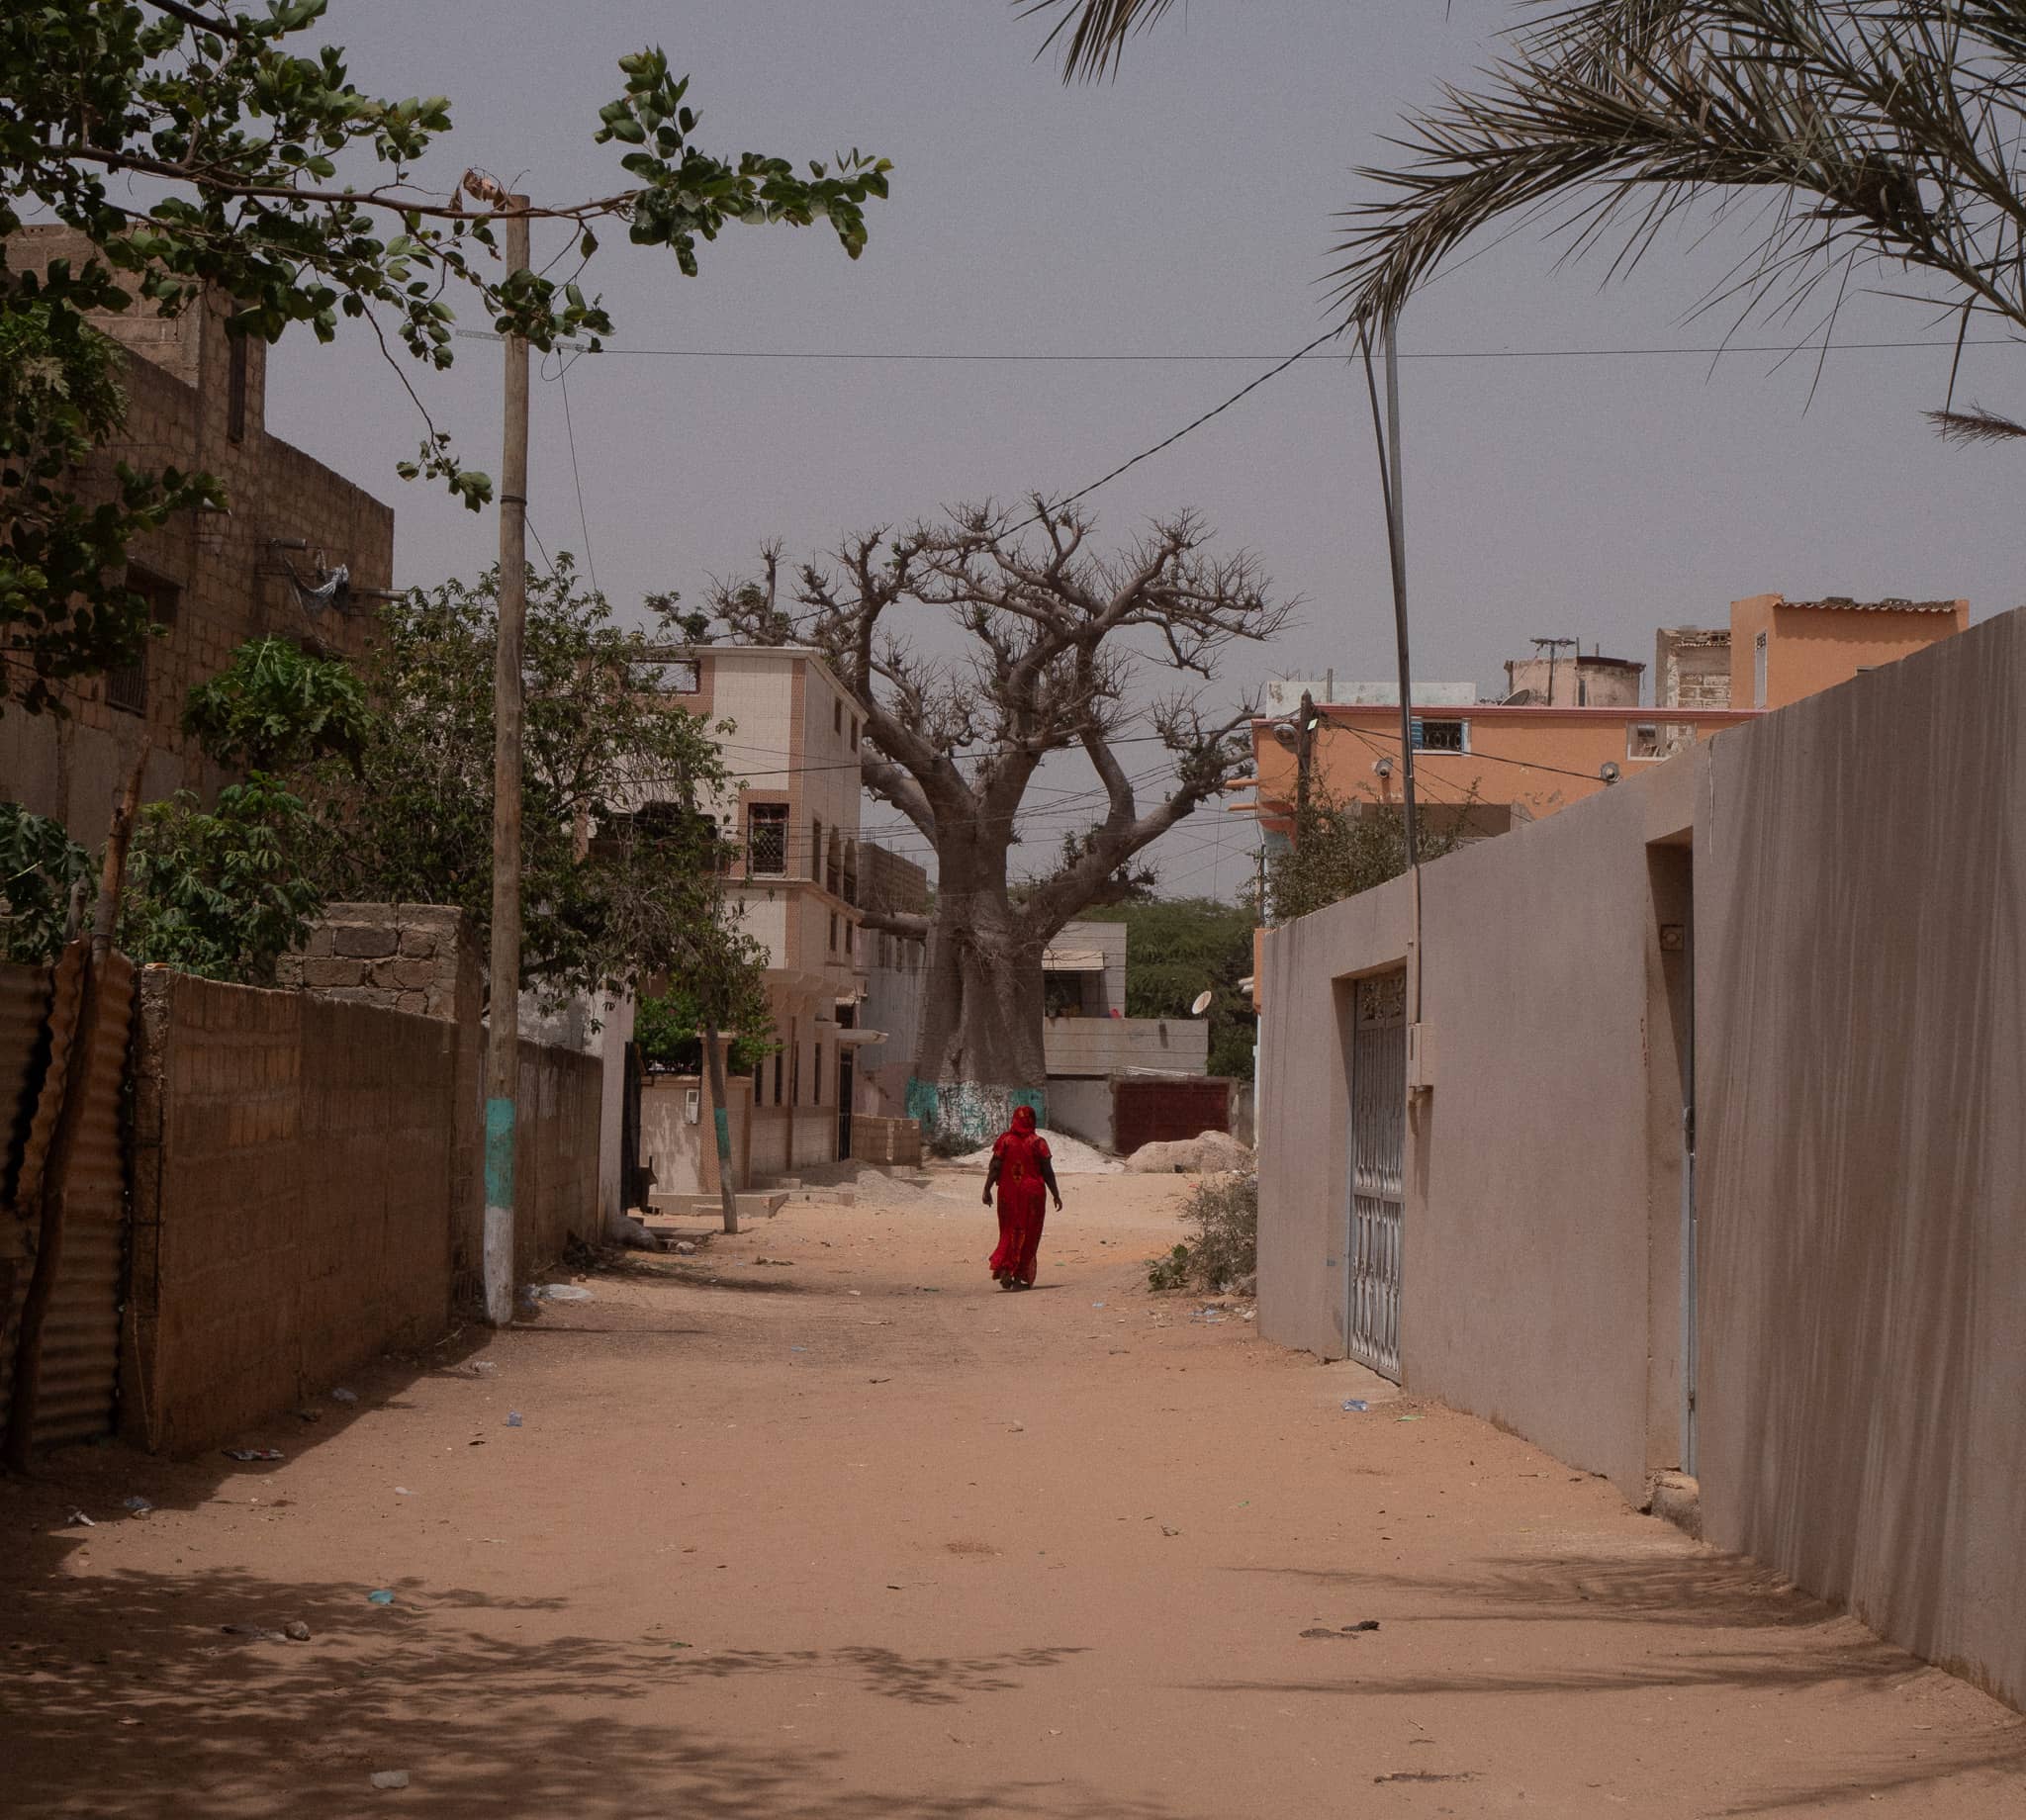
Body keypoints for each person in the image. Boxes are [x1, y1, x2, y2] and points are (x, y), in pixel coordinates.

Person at [982, 1104, 1062, 1290]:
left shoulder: (1005, 1141)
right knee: (1029, 1233)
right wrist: (1056, 1194)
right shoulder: (1038, 1143)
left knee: (1008, 1231)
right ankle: (1018, 1277)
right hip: (1032, 1195)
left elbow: (995, 1166)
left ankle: (1006, 1267)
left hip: (1008, 1193)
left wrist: (986, 1189)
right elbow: (1048, 1171)